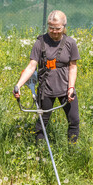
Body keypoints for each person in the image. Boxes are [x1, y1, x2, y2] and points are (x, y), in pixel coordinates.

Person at [13, 10, 81, 144]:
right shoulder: (40, 43)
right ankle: (40, 152)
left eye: (58, 28)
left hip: (66, 89)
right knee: (42, 122)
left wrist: (71, 87)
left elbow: (73, 67)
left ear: (64, 26)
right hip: (46, 90)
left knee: (74, 120)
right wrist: (18, 85)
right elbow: (32, 66)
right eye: (51, 28)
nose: (54, 31)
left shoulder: (70, 43)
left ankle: (72, 151)